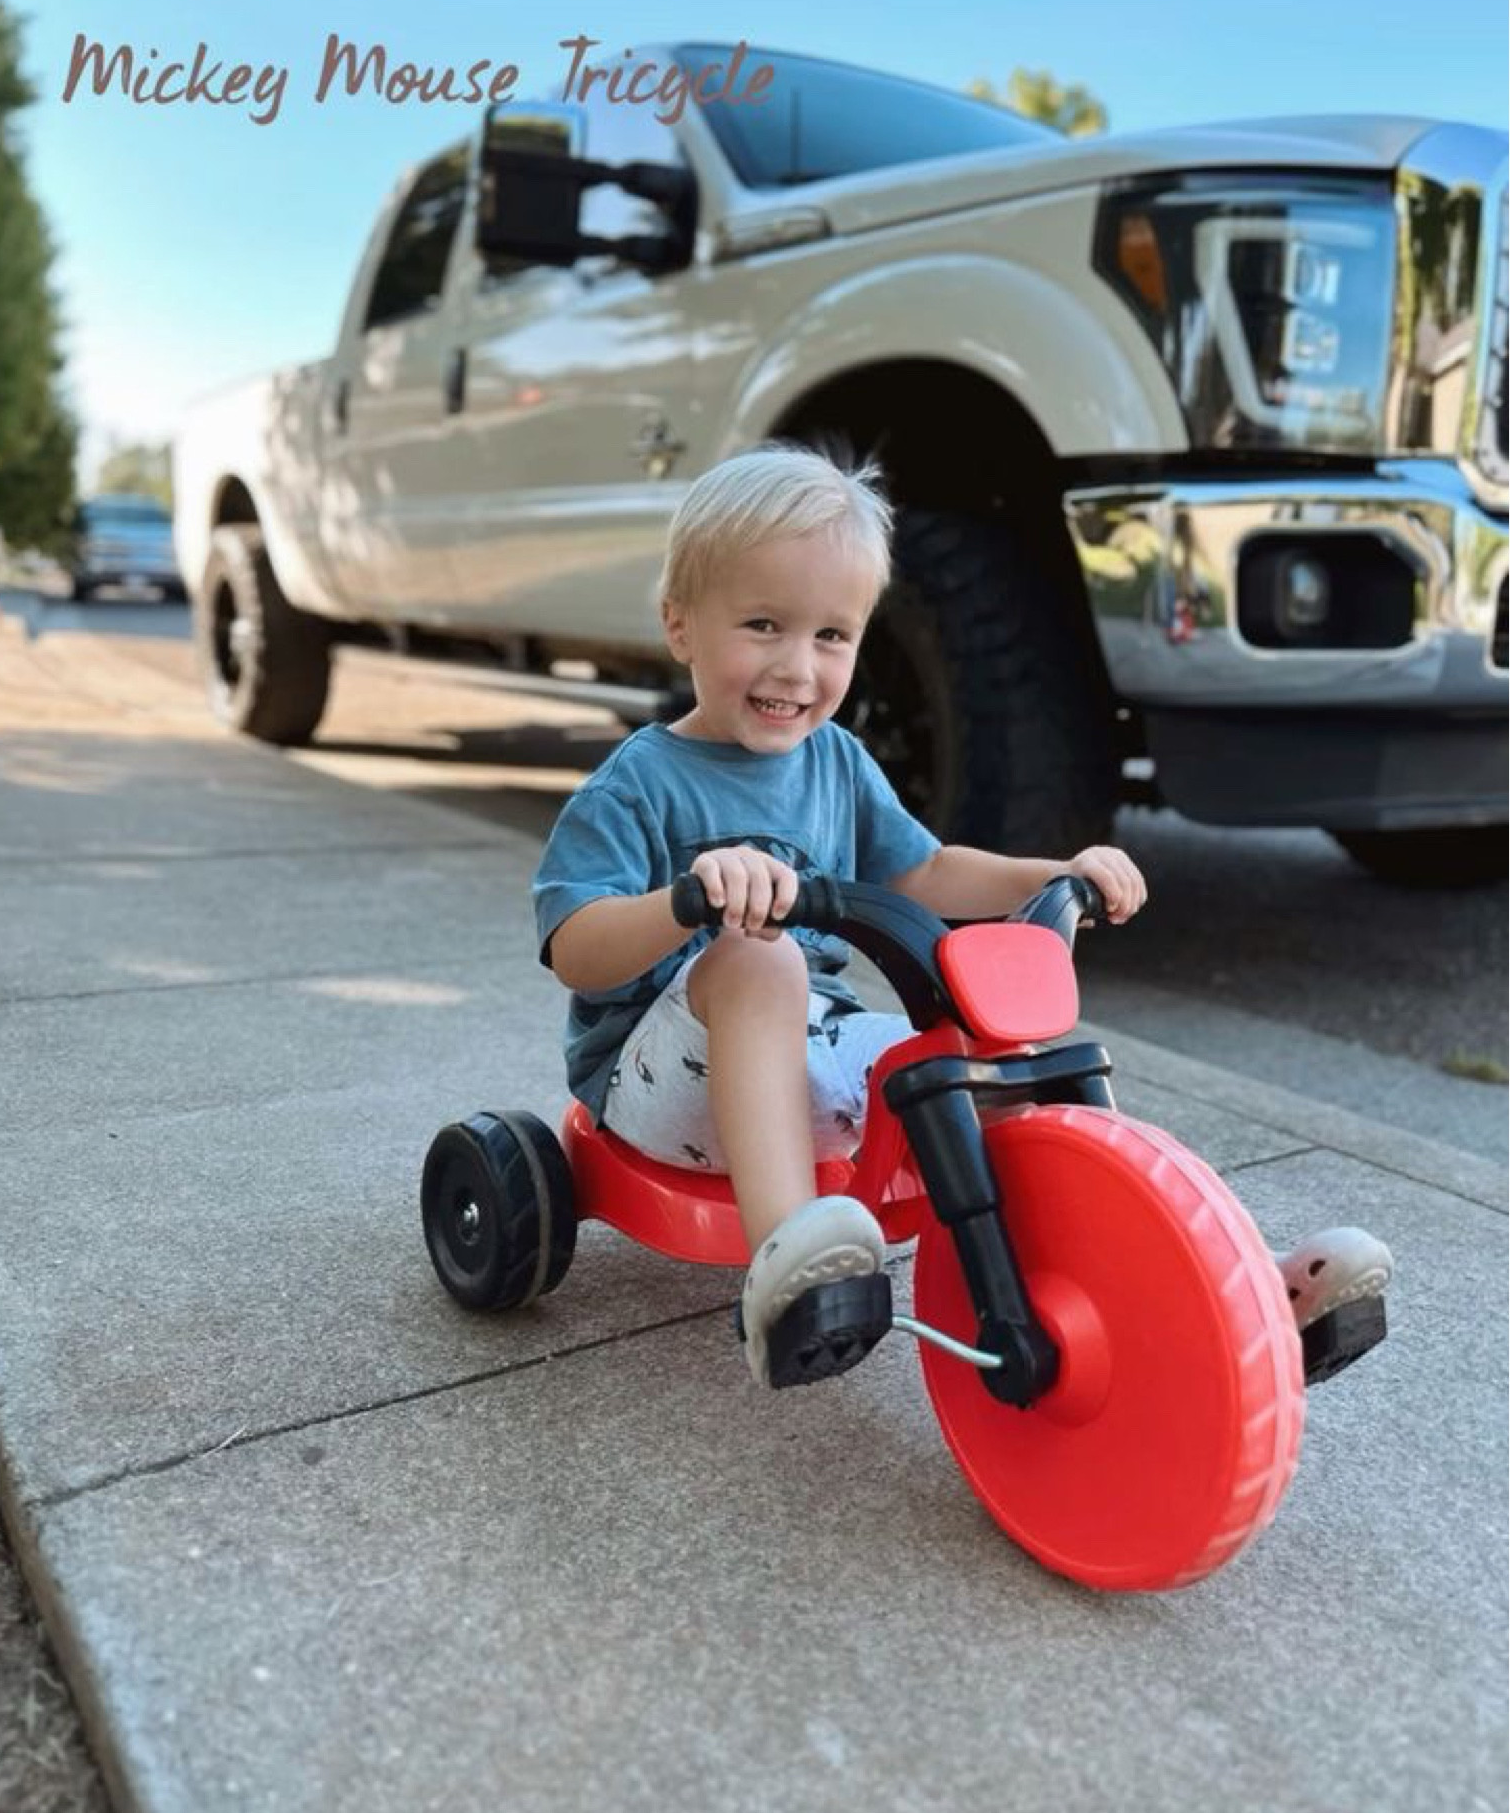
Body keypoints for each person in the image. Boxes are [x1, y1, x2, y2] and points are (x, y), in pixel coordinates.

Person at [533, 447, 1393, 1387]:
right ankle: (783, 1269)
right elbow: (577, 950)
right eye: (762, 624)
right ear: (679, 625)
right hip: (658, 1088)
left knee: (987, 1055)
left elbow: (930, 870)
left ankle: (1234, 1285)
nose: (797, 666)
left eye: (831, 636)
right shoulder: (637, 785)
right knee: (759, 960)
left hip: (805, 1049)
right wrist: (686, 900)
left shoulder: (837, 762)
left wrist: (1056, 870)